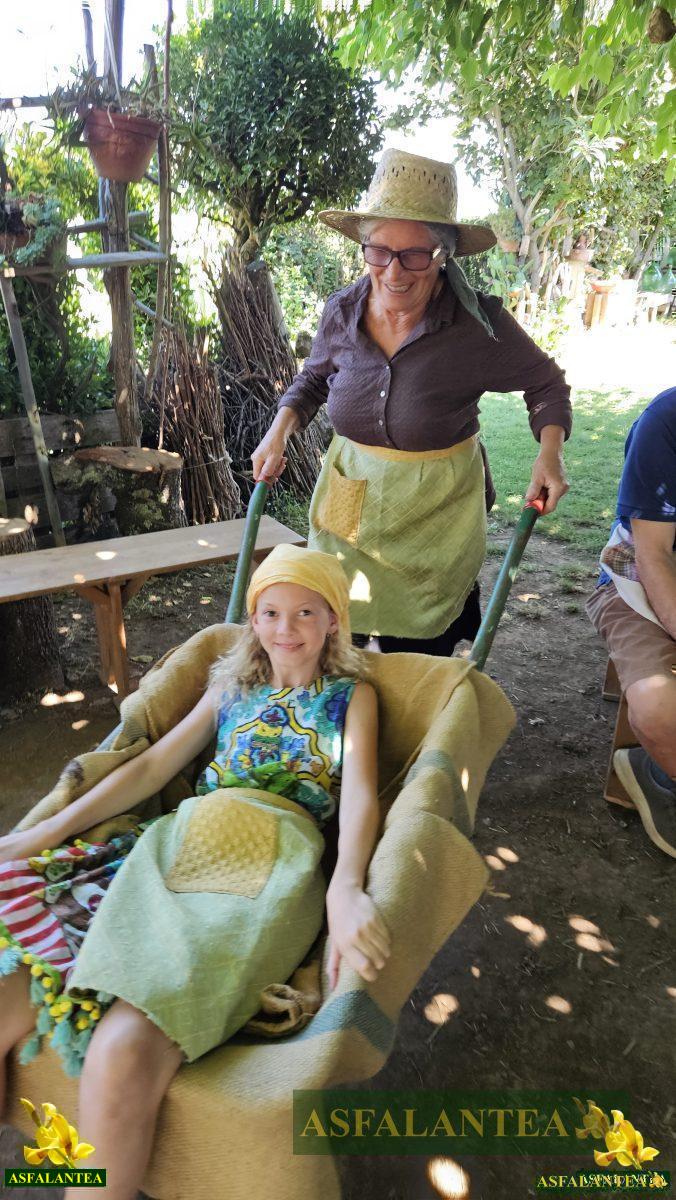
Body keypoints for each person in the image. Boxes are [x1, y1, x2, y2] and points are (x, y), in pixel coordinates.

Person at [0, 544, 389, 1200]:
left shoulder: (352, 698)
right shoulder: (231, 687)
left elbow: (359, 800)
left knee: (121, 1051)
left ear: (333, 622)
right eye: (270, 612)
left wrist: (346, 886)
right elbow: (154, 766)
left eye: (305, 612)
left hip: (271, 860)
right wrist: (43, 831)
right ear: (253, 619)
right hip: (178, 842)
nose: (286, 628)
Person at [253, 148, 572, 656]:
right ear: (364, 248)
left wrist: (549, 453)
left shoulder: (478, 325)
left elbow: (546, 384)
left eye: (415, 255)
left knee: (420, 648)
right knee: (337, 635)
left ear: (444, 255)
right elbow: (313, 379)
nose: (395, 271)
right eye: (380, 251)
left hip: (436, 512)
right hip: (350, 494)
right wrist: (278, 432)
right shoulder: (342, 311)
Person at [586, 386, 676, 857]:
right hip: (643, 571)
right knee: (660, 706)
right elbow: (652, 555)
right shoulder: (668, 418)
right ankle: (657, 773)